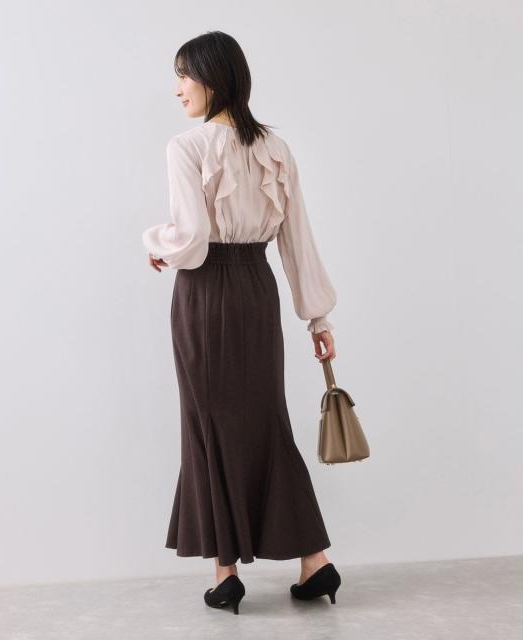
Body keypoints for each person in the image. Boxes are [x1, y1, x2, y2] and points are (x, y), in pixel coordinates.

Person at [142, 31, 342, 614]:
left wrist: (155, 241)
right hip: (258, 290)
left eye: (184, 75)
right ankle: (315, 563)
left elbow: (191, 241)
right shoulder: (275, 148)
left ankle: (226, 573)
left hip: (205, 296)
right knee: (267, 421)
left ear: (212, 78)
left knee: (208, 426)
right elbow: (297, 238)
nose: (178, 88)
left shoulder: (187, 146)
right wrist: (318, 318)